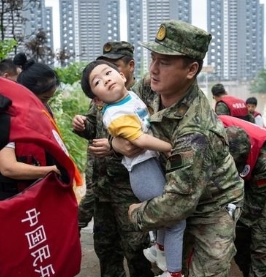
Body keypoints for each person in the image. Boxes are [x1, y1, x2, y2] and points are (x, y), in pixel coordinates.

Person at [114, 20, 244, 277]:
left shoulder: (197, 131)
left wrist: (137, 214)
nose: (153, 69)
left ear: (191, 69)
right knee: (166, 262)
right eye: (153, 58)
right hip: (172, 187)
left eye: (164, 62)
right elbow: (117, 119)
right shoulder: (146, 89)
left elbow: (176, 205)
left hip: (211, 206)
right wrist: (114, 142)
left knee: (206, 272)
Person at [81, 60, 184, 276]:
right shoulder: (116, 114)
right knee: (174, 219)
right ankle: (173, 272)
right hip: (142, 172)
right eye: (97, 81)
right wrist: (172, 148)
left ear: (122, 74)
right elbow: (140, 140)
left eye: (108, 73)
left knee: (165, 218)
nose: (106, 79)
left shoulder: (130, 97)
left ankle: (160, 250)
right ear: (97, 99)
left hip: (148, 167)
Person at [73, 41, 153, 277]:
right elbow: (94, 127)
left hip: (130, 188)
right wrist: (83, 124)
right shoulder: (101, 95)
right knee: (106, 246)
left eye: (112, 67)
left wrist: (113, 147)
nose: (105, 74)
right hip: (102, 187)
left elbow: (146, 139)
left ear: (128, 67)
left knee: (137, 249)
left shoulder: (143, 95)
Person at [0, 56, 61, 201]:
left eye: (49, 99)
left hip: (35, 196)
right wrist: (51, 171)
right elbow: (8, 167)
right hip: (8, 200)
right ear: (26, 92)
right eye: (43, 98)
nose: (44, 105)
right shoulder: (4, 115)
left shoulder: (44, 112)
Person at [220, 115, 266, 277]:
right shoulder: (213, 138)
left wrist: (231, 227)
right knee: (240, 247)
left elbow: (255, 204)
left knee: (261, 240)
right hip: (246, 180)